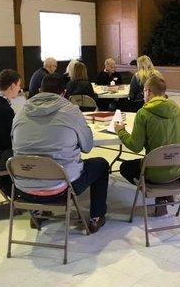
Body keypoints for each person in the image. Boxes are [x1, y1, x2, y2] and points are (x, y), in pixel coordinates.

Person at [11, 73, 109, 233]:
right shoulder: (71, 111)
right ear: (63, 92)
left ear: (39, 90)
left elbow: (14, 144)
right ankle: (97, 216)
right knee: (101, 165)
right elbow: (87, 146)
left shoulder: (20, 112)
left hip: (24, 187)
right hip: (62, 187)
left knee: (38, 166)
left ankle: (38, 211)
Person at [115, 75, 180, 216]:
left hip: (155, 174)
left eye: (144, 92)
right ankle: (166, 193)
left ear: (147, 91)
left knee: (125, 167)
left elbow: (135, 146)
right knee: (162, 159)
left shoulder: (144, 113)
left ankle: (156, 190)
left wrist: (121, 131)